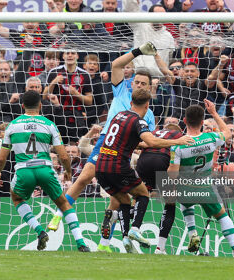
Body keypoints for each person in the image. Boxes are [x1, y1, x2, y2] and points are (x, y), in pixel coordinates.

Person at [47, 42, 158, 234]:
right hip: (107, 142)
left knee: (119, 198)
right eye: (137, 82)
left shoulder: (149, 114)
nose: (139, 85)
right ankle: (59, 212)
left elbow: (148, 141)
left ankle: (105, 242)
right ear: (131, 82)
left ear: (149, 88)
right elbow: (116, 64)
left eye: (143, 84)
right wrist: (139, 51)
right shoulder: (122, 90)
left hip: (125, 153)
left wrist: (135, 141)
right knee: (84, 177)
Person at [95, 88, 194, 253]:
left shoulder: (117, 116)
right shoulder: (139, 121)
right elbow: (153, 142)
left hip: (100, 166)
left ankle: (125, 236)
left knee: (125, 201)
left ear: (131, 102)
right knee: (143, 193)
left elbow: (127, 140)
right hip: (117, 165)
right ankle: (134, 228)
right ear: (147, 105)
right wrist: (180, 140)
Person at [0, 90, 90, 252]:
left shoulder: (12, 126)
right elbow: (64, 156)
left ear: (22, 105)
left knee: (16, 198)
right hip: (45, 169)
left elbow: (1, 158)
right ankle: (81, 243)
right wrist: (67, 171)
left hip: (24, 171)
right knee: (64, 203)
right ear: (40, 105)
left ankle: (39, 231)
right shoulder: (49, 124)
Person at [159, 100, 234, 258]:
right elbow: (227, 133)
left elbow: (173, 174)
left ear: (184, 121)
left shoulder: (179, 145)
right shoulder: (211, 138)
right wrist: (214, 113)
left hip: (185, 187)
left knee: (183, 201)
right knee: (222, 215)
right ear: (202, 122)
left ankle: (192, 233)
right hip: (205, 186)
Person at [43, 49, 93, 142]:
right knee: (56, 144)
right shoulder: (54, 72)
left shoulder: (85, 75)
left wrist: (76, 94)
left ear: (77, 56)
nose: (70, 55)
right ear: (63, 56)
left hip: (76, 118)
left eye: (73, 53)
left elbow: (90, 101)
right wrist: (54, 82)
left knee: (74, 146)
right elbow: (44, 96)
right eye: (67, 53)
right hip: (57, 115)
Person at [123, 1, 175, 77]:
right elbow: (131, 9)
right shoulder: (140, 26)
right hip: (140, 77)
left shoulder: (168, 36)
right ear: (150, 16)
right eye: (157, 15)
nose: (160, 18)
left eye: (163, 15)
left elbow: (169, 59)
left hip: (160, 81)